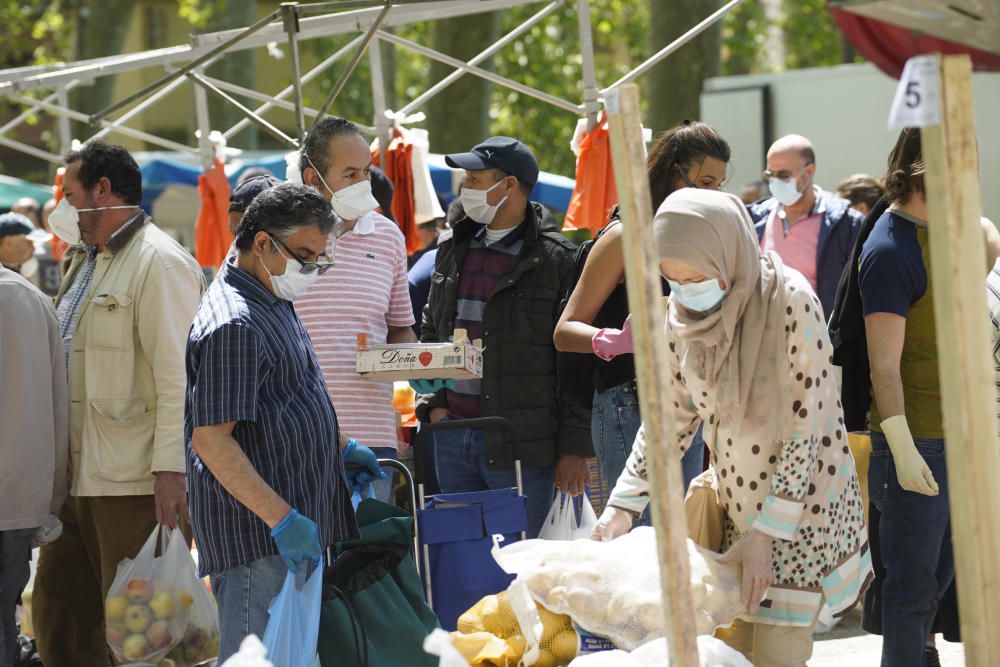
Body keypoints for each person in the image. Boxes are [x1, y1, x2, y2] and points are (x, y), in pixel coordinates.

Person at [593, 189, 871, 667]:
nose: (685, 290)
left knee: (780, 653)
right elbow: (668, 419)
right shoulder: (679, 317)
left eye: (697, 277)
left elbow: (808, 430)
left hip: (804, 507)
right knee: (731, 653)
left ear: (728, 253)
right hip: (737, 505)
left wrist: (766, 534)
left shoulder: (790, 303)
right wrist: (622, 506)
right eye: (672, 278)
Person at [186, 183, 381, 661]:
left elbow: (287, 394)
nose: (313, 268)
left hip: (282, 528)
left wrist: (339, 445)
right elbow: (212, 440)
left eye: (320, 257)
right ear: (263, 243)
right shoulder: (235, 323)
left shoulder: (270, 294)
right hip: (258, 538)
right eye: (306, 255)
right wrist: (282, 519)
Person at [32, 140, 205, 667]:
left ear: (102, 191)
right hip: (75, 478)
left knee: (147, 638)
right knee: (59, 620)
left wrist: (171, 470)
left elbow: (180, 377)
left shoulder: (160, 263)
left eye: (70, 194)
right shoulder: (85, 261)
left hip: (135, 484)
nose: (63, 207)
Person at [414, 136, 592, 538]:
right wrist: (435, 406)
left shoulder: (556, 260)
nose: (466, 189)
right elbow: (432, 327)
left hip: (522, 447)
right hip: (453, 435)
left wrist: (575, 447)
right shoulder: (452, 248)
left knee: (520, 568)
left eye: (476, 179)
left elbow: (578, 364)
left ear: (508, 186)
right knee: (465, 567)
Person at [553, 122, 731, 512]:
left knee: (678, 544)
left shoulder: (697, 235)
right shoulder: (624, 236)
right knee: (641, 546)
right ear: (673, 173)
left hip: (685, 404)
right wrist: (613, 341)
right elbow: (565, 331)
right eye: (704, 181)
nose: (714, 194)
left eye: (719, 185)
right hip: (627, 403)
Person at [858, 127, 962, 666]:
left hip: (950, 438)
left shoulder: (933, 235)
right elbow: (884, 365)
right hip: (919, 440)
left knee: (931, 592)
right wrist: (900, 446)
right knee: (911, 595)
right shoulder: (890, 247)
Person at [297, 116, 416, 503]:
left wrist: (421, 367)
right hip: (294, 440)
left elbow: (400, 329)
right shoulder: (273, 238)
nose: (362, 184)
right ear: (312, 179)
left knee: (365, 561)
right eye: (349, 174)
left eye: (365, 172)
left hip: (371, 441)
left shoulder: (387, 237)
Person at [0, 267, 68, 667]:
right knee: (7, 620)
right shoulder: (33, 298)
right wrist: (50, 501)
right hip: (22, 500)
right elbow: (59, 410)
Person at [748, 134, 864, 316]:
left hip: (820, 338)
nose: (776, 181)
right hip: (766, 338)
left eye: (784, 175)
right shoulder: (754, 218)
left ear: (809, 172)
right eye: (770, 175)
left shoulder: (847, 224)